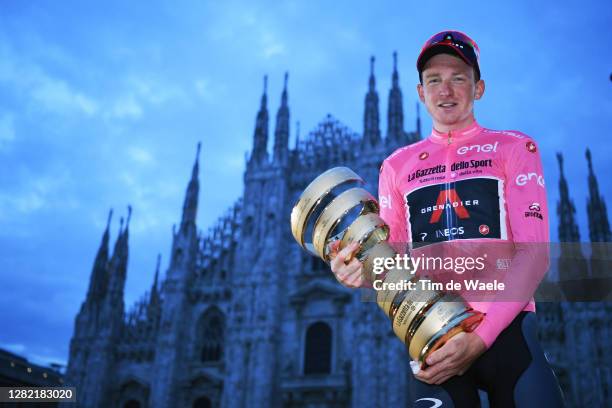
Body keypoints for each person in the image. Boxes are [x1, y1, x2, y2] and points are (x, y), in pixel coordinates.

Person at [330, 31, 565, 407]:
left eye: (459, 77)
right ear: (421, 92)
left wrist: (480, 338)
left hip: (510, 337)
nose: (446, 90)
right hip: (432, 342)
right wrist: (358, 271)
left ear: (479, 87)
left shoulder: (515, 147)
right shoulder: (395, 165)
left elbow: (534, 255)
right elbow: (394, 262)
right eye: (434, 80)